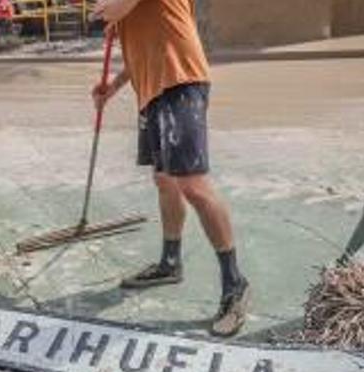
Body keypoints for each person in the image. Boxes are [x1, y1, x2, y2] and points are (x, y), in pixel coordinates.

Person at [91, 0, 249, 337]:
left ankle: (235, 284)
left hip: (181, 82)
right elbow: (142, 51)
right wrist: (113, 87)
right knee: (165, 182)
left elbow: (111, 11)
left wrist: (106, 11)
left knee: (192, 185)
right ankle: (170, 262)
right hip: (152, 92)